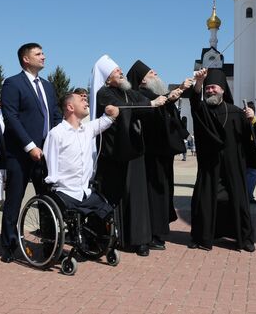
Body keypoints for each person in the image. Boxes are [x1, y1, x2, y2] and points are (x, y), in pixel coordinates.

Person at [91, 55, 166, 257]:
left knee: (137, 196)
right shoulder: (104, 93)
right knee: (114, 196)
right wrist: (150, 105)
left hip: (134, 149)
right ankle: (112, 237)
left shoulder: (128, 92)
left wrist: (166, 98)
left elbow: (144, 103)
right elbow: (124, 110)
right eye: (116, 71)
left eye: (120, 69)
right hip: (114, 153)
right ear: (107, 77)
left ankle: (139, 239)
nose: (121, 72)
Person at [0, 43, 62, 263]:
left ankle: (49, 245)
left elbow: (55, 115)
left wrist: (55, 142)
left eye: (43, 53)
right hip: (20, 154)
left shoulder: (48, 86)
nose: (43, 56)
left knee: (47, 199)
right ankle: (8, 246)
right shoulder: (12, 84)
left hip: (45, 154)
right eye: (38, 54)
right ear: (26, 59)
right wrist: (30, 146)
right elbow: (11, 118)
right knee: (14, 200)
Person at [188, 68, 256, 252]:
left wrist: (252, 120)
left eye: (214, 88)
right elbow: (194, 100)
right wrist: (199, 82)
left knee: (238, 201)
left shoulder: (236, 112)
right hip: (209, 165)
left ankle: (244, 239)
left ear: (223, 90)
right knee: (204, 201)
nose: (210, 91)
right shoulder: (202, 111)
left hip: (233, 165)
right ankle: (200, 236)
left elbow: (251, 139)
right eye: (208, 88)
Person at [126, 60, 190, 250]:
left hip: (162, 155)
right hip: (149, 156)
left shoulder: (155, 95)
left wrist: (173, 96)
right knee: (153, 194)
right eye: (151, 73)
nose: (156, 74)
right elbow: (152, 111)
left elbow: (166, 112)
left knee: (163, 192)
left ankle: (158, 231)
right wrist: (171, 96)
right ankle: (153, 233)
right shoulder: (139, 97)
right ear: (142, 81)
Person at [43, 93, 118, 218]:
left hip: (85, 193)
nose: (86, 102)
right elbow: (51, 162)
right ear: (70, 107)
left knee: (108, 213)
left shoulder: (88, 129)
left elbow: (106, 120)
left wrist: (112, 112)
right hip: (65, 194)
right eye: (82, 100)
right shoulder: (57, 134)